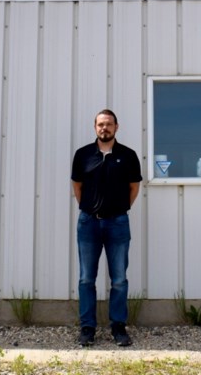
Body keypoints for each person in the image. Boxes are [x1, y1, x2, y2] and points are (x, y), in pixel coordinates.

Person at [70, 109, 142, 347]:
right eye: (100, 124)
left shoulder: (128, 156)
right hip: (88, 223)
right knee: (86, 279)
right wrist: (90, 209)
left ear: (116, 127)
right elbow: (77, 186)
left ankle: (118, 327)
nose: (104, 128)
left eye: (109, 124)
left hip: (118, 223)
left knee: (119, 279)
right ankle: (87, 328)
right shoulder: (83, 155)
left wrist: (119, 210)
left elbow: (134, 188)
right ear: (95, 128)